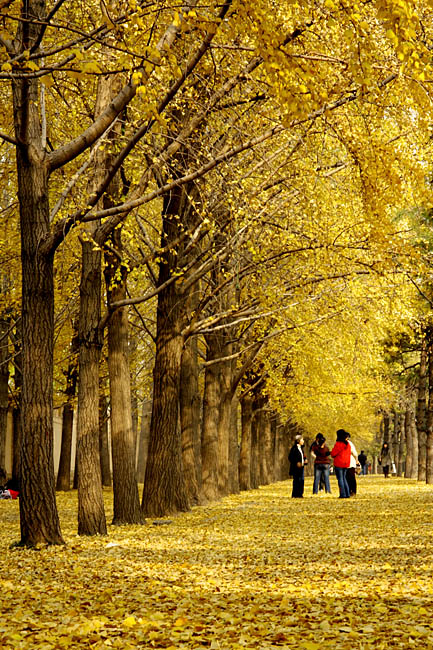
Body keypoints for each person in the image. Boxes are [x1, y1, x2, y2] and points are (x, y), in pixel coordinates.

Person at [331, 429, 351, 498]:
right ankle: (347, 493)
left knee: (340, 479)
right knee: (344, 478)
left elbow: (333, 454)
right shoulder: (348, 444)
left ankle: (342, 494)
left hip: (339, 463)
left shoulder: (339, 444)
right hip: (346, 463)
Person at [345, 432, 359, 496]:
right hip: (350, 463)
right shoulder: (350, 444)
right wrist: (356, 460)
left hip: (346, 463)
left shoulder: (340, 443)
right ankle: (352, 491)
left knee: (347, 478)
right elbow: (355, 453)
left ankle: (350, 491)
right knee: (351, 478)